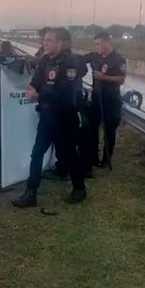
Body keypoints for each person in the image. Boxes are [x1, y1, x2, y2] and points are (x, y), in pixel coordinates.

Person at [13, 28, 87, 208]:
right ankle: (31, 193)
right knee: (37, 152)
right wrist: (31, 89)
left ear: (60, 42)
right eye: (44, 40)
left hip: (65, 117)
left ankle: (79, 189)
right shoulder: (45, 60)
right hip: (47, 116)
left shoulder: (71, 63)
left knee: (69, 154)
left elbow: (65, 93)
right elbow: (36, 82)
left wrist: (39, 96)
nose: (44, 43)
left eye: (49, 40)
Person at [84, 32, 126, 169]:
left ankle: (106, 159)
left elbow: (121, 79)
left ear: (107, 43)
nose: (96, 47)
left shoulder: (118, 60)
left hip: (111, 100)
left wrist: (103, 77)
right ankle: (92, 157)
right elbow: (78, 60)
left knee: (109, 131)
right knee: (91, 129)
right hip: (96, 98)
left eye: (98, 44)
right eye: (95, 44)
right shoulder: (94, 56)